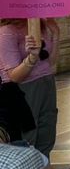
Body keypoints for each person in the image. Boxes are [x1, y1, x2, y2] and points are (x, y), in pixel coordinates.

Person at [0, 17, 59, 156]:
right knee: (28, 141)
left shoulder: (41, 25)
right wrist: (32, 57)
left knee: (47, 138)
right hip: (24, 90)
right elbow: (14, 76)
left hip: (47, 83)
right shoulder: (7, 32)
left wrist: (55, 34)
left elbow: (50, 62)